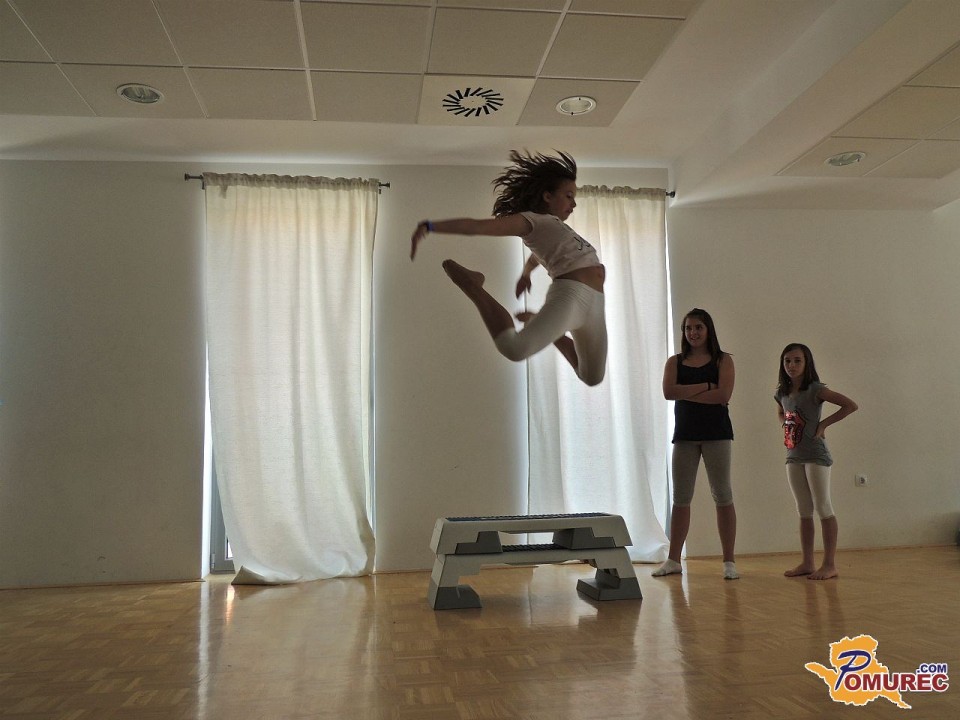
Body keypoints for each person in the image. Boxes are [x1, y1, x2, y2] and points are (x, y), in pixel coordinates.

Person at [409, 150, 607, 386]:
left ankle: (542, 325)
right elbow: (478, 227)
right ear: (547, 196)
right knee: (514, 348)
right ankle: (473, 285)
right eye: (568, 196)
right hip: (572, 295)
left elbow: (540, 256)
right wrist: (430, 226)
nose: (573, 203)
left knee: (592, 377)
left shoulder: (558, 229)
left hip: (596, 300)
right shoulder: (532, 221)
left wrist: (526, 274)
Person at [653, 308, 739, 580]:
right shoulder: (675, 362)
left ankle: (729, 561)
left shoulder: (723, 360)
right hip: (685, 436)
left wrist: (687, 392)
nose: (693, 332)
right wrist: (706, 386)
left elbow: (723, 396)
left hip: (717, 434)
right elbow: (669, 392)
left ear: (708, 329)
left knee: (723, 495)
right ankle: (673, 560)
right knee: (681, 498)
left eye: (698, 327)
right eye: (688, 328)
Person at [775, 343, 857, 580]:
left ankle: (829, 564)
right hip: (793, 456)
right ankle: (807, 562)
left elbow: (850, 405)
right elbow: (781, 412)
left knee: (823, 507)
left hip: (816, 455)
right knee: (803, 510)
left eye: (797, 360)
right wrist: (786, 425)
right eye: (787, 361)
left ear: (806, 363)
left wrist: (823, 425)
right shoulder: (782, 392)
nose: (791, 365)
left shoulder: (816, 390)